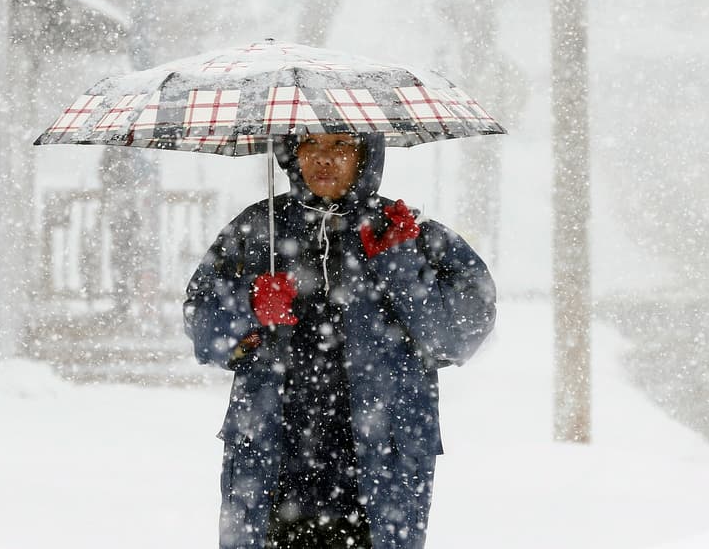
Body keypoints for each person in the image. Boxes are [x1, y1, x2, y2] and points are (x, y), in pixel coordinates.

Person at [184, 132, 496, 549]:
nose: (324, 159)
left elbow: (459, 335)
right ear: (291, 152)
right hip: (272, 459)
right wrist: (249, 306)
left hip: (382, 460)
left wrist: (401, 269)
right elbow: (202, 324)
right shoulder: (260, 229)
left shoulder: (406, 230)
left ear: (367, 155)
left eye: (341, 145)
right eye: (310, 143)